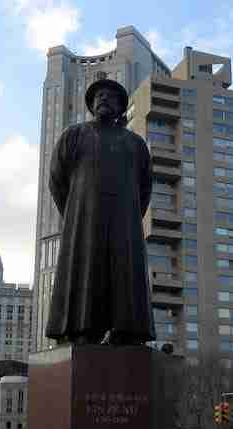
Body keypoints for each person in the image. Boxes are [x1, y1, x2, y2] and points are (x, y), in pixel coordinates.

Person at [46, 72, 155, 346]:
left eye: (110, 96)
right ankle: (82, 330)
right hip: (84, 220)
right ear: (92, 104)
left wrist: (128, 217)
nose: (103, 99)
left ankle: (126, 331)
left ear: (120, 106)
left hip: (124, 223)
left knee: (124, 275)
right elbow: (57, 180)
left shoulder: (135, 144)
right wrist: (76, 213)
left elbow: (144, 188)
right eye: (98, 96)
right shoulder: (74, 136)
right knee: (85, 272)